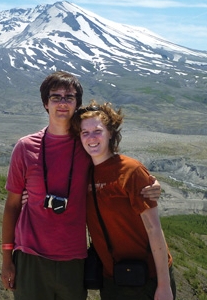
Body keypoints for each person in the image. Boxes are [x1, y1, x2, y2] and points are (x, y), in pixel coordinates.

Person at [1, 71, 161, 300]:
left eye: (69, 97)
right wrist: (7, 260)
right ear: (45, 103)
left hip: (74, 260)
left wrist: (151, 183)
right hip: (30, 257)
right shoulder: (25, 148)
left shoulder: (87, 144)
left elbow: (118, 169)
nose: (62, 103)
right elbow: (12, 206)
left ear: (77, 104)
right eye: (55, 97)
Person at [74, 100, 175, 300]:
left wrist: (163, 285)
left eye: (97, 131)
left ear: (110, 132)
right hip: (113, 280)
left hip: (148, 277)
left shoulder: (130, 171)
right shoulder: (84, 174)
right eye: (85, 133)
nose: (91, 138)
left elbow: (154, 228)